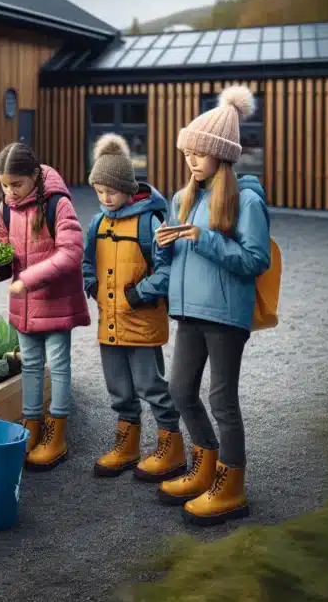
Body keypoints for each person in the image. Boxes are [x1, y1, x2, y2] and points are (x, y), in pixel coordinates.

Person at [154, 84, 271, 526]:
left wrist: (203, 239)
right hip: (189, 313)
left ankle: (232, 487)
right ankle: (205, 467)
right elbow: (172, 254)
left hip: (224, 316)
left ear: (221, 153)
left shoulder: (247, 200)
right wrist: (163, 242)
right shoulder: (184, 198)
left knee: (223, 400)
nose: (192, 160)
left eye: (199, 153)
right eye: (188, 153)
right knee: (180, 390)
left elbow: (255, 260)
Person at [81, 134, 185, 482]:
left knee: (151, 386)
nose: (104, 198)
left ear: (127, 188)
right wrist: (92, 285)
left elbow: (168, 268)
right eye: (99, 192)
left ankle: (171, 447)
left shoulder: (150, 223)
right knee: (119, 389)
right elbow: (87, 262)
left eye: (110, 191)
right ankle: (127, 447)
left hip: (141, 323)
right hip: (108, 324)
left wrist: (140, 294)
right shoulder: (98, 223)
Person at [0, 142, 89, 472]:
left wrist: (29, 278)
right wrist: (3, 266)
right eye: (4, 185)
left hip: (55, 300)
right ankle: (31, 425)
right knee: (30, 364)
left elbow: (71, 252)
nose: (9, 192)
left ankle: (57, 432)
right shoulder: (7, 207)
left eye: (16, 184)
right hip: (24, 303)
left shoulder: (58, 204)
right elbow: (3, 242)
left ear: (34, 175)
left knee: (58, 364)